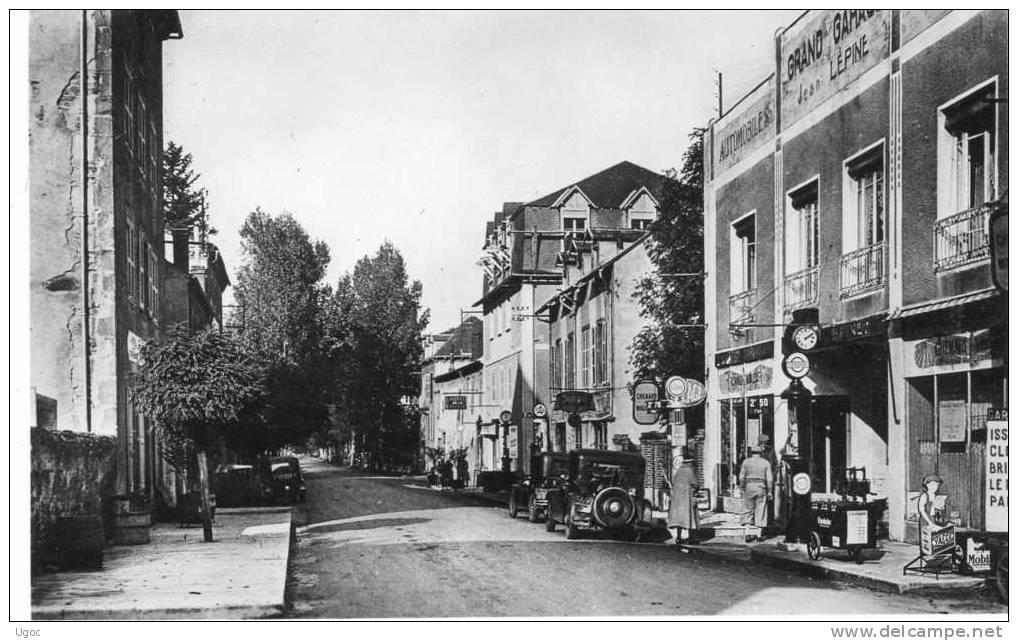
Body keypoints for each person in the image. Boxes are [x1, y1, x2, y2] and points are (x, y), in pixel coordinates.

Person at [739, 444, 773, 542]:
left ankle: (748, 533)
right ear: (760, 453)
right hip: (761, 487)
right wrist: (770, 491)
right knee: (761, 509)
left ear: (751, 453)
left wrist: (742, 487)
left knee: (747, 510)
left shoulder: (746, 462)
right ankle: (758, 535)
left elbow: (741, 477)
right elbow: (769, 479)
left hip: (749, 487)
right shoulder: (766, 463)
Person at [667, 450, 700, 553]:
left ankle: (679, 537)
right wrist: (697, 489)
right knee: (691, 517)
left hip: (678, 500)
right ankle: (691, 537)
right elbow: (695, 483)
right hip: (687, 498)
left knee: (679, 520)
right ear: (691, 462)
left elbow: (674, 482)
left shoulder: (679, 471)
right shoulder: (690, 470)